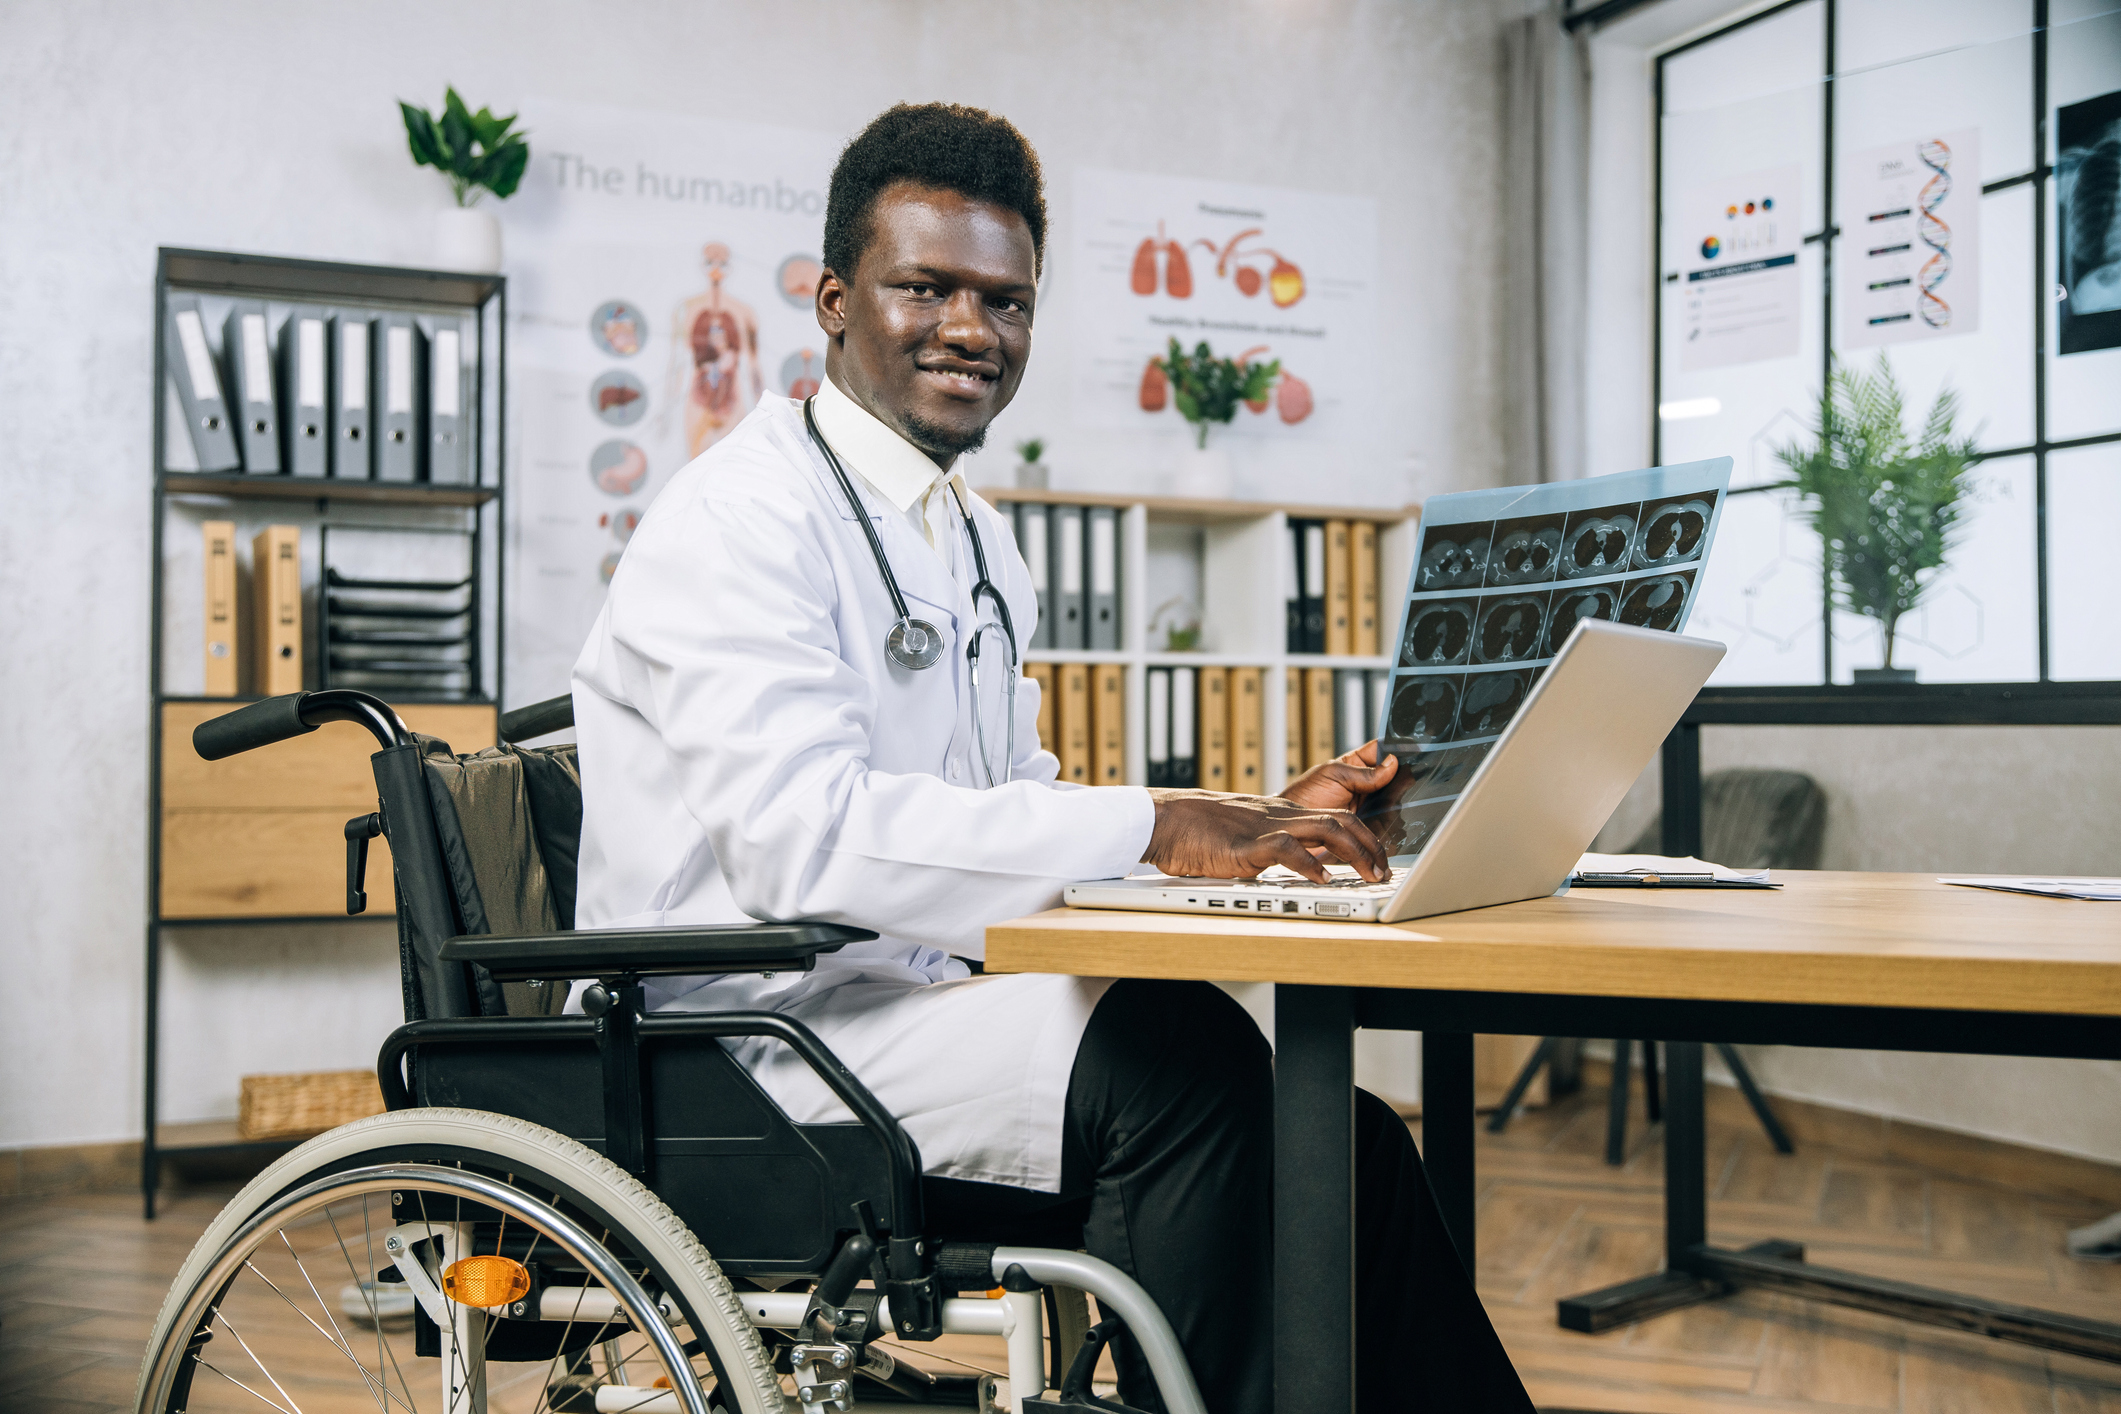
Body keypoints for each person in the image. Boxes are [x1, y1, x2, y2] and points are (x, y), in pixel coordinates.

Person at [572, 102, 1532, 1413]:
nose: (974, 329)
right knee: (1184, 1069)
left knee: (1334, 1138)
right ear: (835, 300)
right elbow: (806, 843)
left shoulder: (969, 536)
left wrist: (1255, 822)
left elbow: (1008, 815)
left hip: (911, 998)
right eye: (928, 287)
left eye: (1007, 301)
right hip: (743, 1042)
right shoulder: (737, 518)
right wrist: (1155, 824)